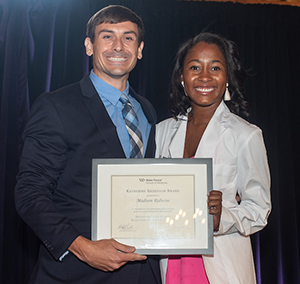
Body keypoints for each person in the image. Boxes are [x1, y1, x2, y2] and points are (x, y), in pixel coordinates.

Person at [15, 5, 161, 284]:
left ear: (140, 49)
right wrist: (84, 248)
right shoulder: (56, 106)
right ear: (89, 46)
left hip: (143, 273)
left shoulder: (146, 110)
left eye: (128, 38)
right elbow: (30, 194)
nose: (118, 46)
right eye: (107, 36)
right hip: (77, 273)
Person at [155, 32, 271, 284]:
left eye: (215, 67)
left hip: (221, 263)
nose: (204, 76)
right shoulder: (161, 131)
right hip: (172, 259)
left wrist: (223, 217)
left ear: (227, 77)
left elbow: (259, 209)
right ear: (182, 78)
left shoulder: (246, 135)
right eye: (195, 67)